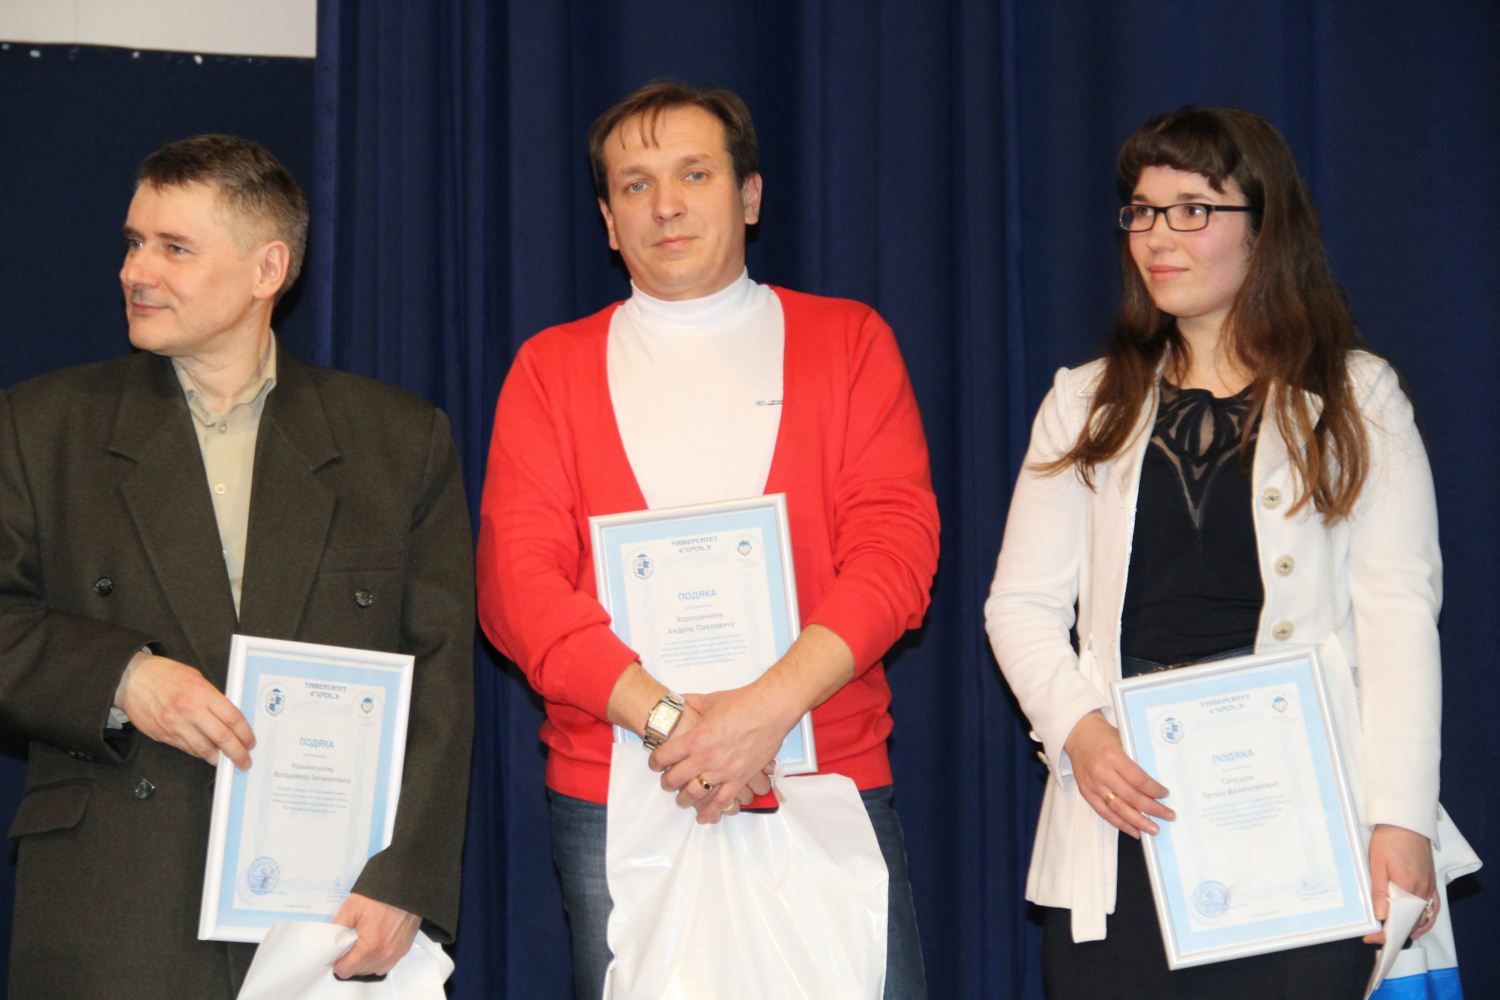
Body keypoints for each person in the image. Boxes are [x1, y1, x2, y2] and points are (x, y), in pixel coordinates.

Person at [476, 81, 939, 998]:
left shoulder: (849, 343)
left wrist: (763, 712)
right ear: (608, 221)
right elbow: (517, 588)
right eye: (635, 185)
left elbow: (895, 553)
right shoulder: (549, 371)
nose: (667, 205)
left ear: (750, 195)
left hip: (822, 774)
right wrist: (676, 726)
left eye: (695, 174)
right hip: (621, 787)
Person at [0, 134, 474, 998]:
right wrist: (123, 677)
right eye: (133, 243)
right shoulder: (41, 428)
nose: (136, 271)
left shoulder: (397, 443)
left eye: (174, 248)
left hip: (326, 921)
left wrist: (407, 879)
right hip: (114, 904)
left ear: (268, 269)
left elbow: (441, 681)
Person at [984, 106, 1442, 999]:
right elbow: (1020, 606)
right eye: (1142, 211)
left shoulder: (1359, 397)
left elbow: (1398, 621)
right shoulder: (1082, 404)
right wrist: (1079, 731)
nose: (1158, 236)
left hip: (1302, 824)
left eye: (1193, 209)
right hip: (1127, 808)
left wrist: (1401, 818)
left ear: (1265, 230)